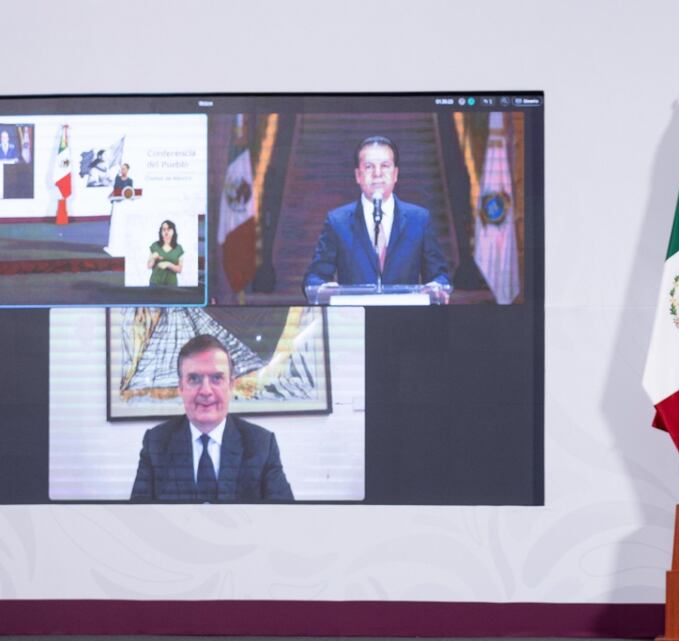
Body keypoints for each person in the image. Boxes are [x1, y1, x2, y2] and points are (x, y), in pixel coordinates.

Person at [131, 334, 294, 502]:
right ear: (181, 388)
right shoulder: (156, 444)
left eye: (217, 378)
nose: (206, 391)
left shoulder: (261, 444)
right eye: (194, 379)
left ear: (230, 385)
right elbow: (139, 519)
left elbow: (285, 518)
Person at [302, 136, 450, 300]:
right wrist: (322, 288)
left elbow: (439, 276)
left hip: (406, 318)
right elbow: (314, 277)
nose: (377, 174)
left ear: (395, 174)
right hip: (355, 318)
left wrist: (437, 286)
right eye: (369, 167)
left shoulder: (419, 219)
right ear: (358, 175)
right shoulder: (338, 221)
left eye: (385, 166)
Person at [148, 220, 184, 286]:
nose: (166, 232)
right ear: (161, 232)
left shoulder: (178, 248)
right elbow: (149, 266)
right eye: (164, 229)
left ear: (173, 231)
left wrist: (168, 264)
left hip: (171, 284)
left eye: (169, 229)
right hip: (155, 283)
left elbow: (179, 269)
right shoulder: (155, 246)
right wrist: (153, 258)